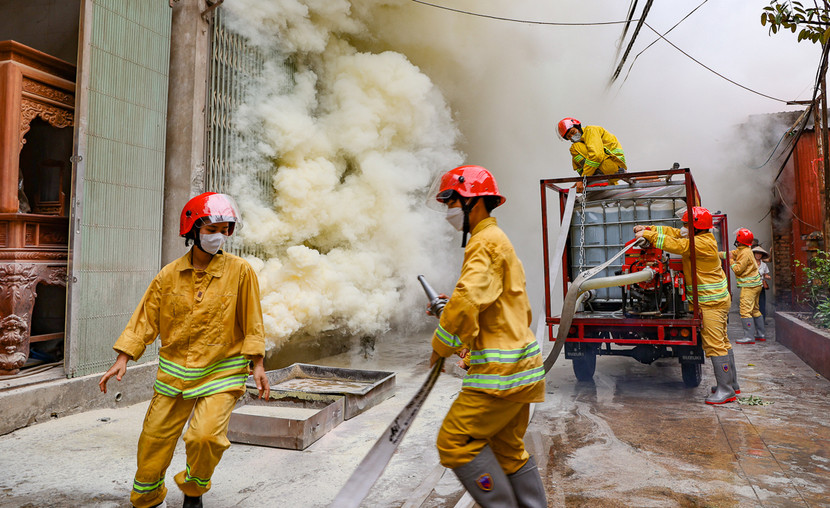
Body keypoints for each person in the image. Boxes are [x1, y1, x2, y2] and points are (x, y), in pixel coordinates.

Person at [98, 192, 270, 508]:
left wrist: (257, 363)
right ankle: (147, 497)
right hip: (174, 372)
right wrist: (123, 357)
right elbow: (146, 317)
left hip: (222, 370)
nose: (219, 236)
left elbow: (253, 321)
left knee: (205, 438)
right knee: (153, 440)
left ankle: (194, 490)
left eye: (224, 229)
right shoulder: (168, 275)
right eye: (211, 229)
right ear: (193, 231)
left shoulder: (241, 271)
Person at [428, 165, 547, 507]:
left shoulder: (483, 243)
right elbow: (491, 302)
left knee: (454, 440)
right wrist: (450, 309)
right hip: (521, 371)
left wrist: (441, 346)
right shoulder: (498, 241)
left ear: (473, 203)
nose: (449, 210)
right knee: (508, 451)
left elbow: (467, 300)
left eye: (451, 200)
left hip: (500, 377)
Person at [634, 206, 738, 404]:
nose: (682, 227)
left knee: (715, 345)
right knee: (723, 342)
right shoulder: (700, 237)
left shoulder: (701, 243)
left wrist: (649, 235)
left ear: (696, 227)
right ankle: (732, 385)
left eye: (685, 224)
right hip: (716, 301)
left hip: (712, 303)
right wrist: (650, 228)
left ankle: (726, 390)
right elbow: (674, 233)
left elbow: (677, 245)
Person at [557, 117, 627, 192]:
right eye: (569, 137)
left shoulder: (590, 131)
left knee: (574, 148)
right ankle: (593, 177)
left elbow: (596, 156)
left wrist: (583, 179)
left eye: (572, 132)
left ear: (577, 127)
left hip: (612, 166)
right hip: (612, 169)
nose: (572, 136)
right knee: (576, 153)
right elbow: (579, 166)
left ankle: (592, 177)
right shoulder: (583, 142)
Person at [722, 228, 764, 344]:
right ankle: (761, 334)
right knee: (755, 310)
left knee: (745, 311)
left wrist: (730, 261)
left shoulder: (744, 253)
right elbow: (732, 253)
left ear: (739, 240)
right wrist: (716, 254)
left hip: (749, 286)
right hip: (755, 285)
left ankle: (749, 337)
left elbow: (738, 270)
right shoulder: (744, 249)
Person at [752, 244, 772, 322]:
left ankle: (762, 320)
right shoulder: (751, 263)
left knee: (761, 303)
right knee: (753, 304)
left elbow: (765, 275)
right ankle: (753, 320)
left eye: (760, 254)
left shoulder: (763, 265)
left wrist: (768, 277)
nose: (758, 255)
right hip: (752, 285)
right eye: (757, 253)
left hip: (761, 286)